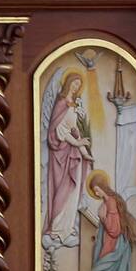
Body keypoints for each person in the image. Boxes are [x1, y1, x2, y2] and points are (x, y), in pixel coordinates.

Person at [44, 71, 93, 247]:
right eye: (74, 83)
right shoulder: (61, 103)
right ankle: (56, 229)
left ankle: (67, 228)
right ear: (68, 84)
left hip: (75, 155)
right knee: (64, 189)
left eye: (78, 85)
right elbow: (58, 131)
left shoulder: (73, 104)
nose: (76, 87)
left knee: (73, 191)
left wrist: (84, 151)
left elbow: (74, 130)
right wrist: (77, 142)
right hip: (62, 155)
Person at [87, 170, 136, 271]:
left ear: (102, 187)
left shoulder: (111, 202)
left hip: (116, 247)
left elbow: (114, 230)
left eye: (96, 189)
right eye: (94, 191)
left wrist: (102, 218)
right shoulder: (108, 202)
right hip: (112, 244)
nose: (96, 193)